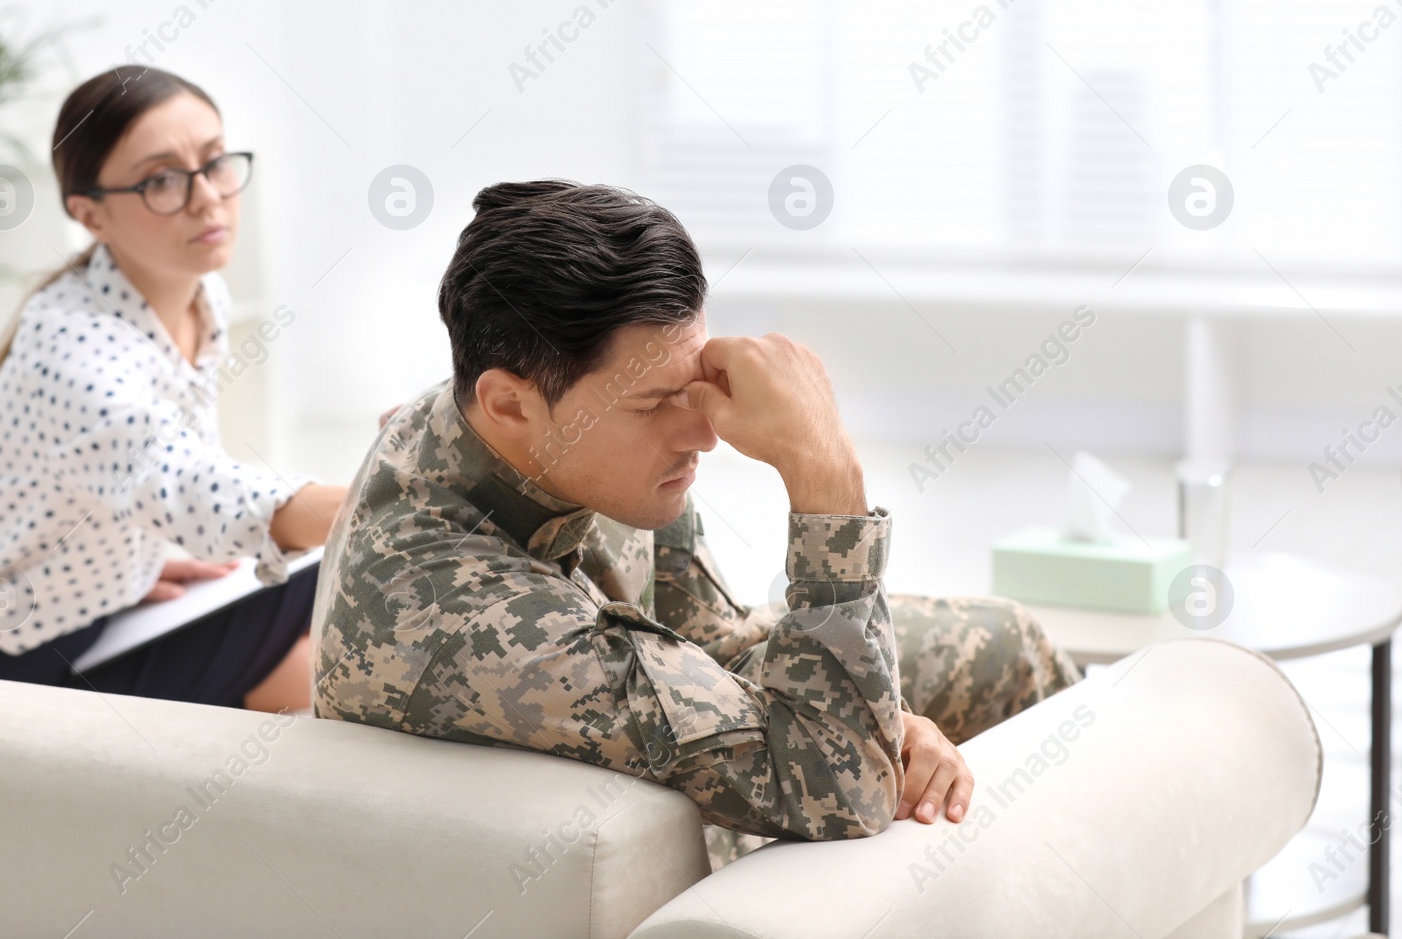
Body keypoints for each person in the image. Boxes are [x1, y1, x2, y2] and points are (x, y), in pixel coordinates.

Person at [311, 180, 1082, 866]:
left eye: (692, 387)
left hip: (674, 728)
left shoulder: (538, 431)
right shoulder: (458, 614)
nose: (705, 434)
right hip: (627, 832)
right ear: (509, 402)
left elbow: (711, 642)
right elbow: (836, 780)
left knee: (1012, 643)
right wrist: (825, 474)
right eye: (654, 405)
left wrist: (890, 720)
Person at [0, 66, 348, 712]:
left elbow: (131, 481)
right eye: (161, 180)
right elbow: (177, 476)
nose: (208, 197)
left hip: (85, 616)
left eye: (214, 161)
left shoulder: (199, 293)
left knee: (305, 621)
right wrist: (379, 498)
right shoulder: (74, 352)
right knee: (323, 580)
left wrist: (128, 569)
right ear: (89, 213)